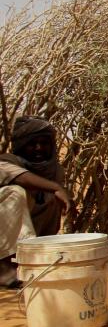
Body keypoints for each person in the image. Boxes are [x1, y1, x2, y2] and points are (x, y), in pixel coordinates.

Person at [0, 117, 72, 288]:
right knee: (14, 193)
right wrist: (56, 187)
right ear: (21, 145)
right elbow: (21, 177)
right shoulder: (6, 161)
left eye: (44, 142)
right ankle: (3, 268)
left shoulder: (53, 171)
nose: (39, 148)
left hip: (27, 245)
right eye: (32, 143)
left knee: (53, 198)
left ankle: (36, 260)